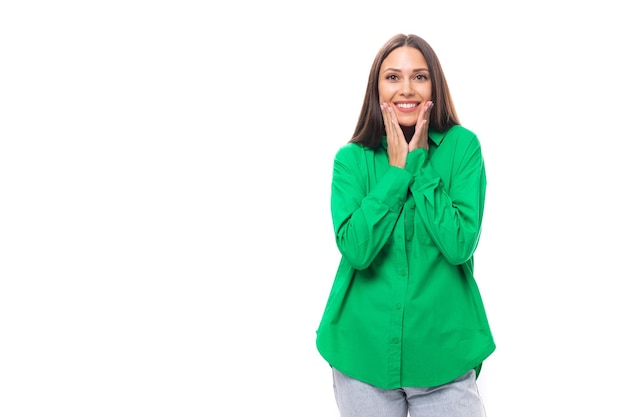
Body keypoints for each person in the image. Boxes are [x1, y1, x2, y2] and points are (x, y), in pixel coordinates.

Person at [315, 33, 496, 417]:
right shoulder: (352, 159)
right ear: (376, 89)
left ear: (435, 86)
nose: (406, 89)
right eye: (393, 77)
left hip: (443, 360)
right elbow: (357, 251)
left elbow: (460, 243)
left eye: (420, 76)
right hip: (361, 355)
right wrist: (396, 174)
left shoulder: (463, 148)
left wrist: (417, 166)